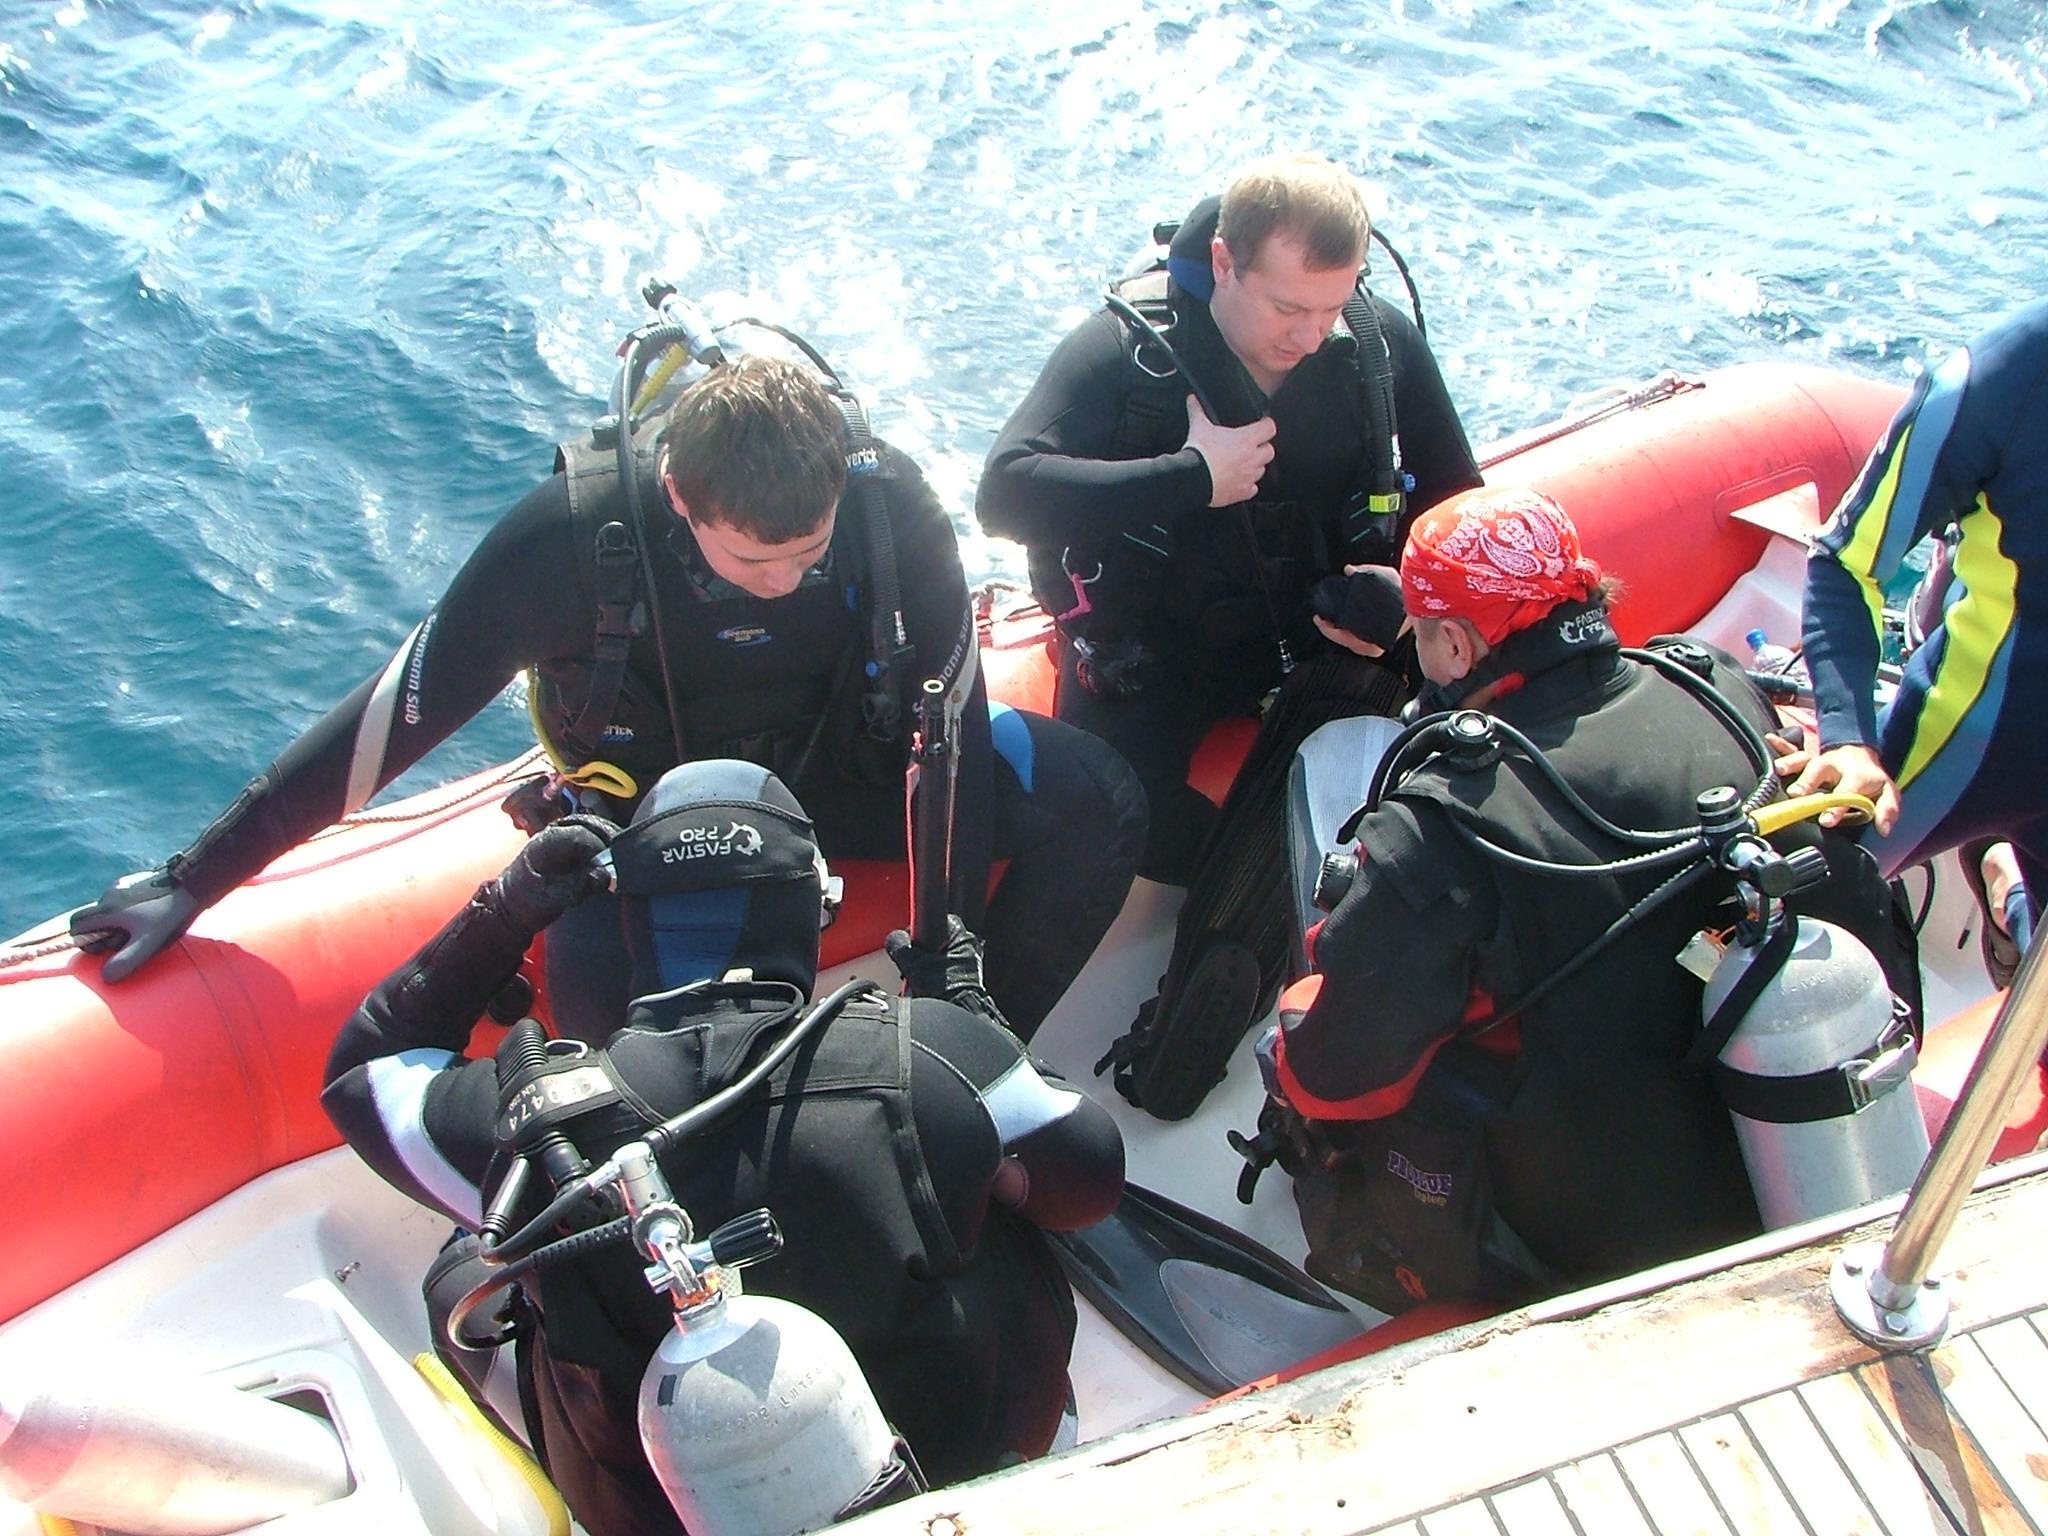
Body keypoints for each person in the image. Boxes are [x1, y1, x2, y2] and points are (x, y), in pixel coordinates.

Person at [72, 348, 1145, 1040]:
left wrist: (948, 985)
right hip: (649, 819)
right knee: (593, 991)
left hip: (840, 775)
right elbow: (392, 718)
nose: (784, 582)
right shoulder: (571, 541)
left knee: (1101, 800)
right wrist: (193, 877)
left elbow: (946, 725)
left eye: (804, 556)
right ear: (681, 497)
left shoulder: (881, 503)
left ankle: (959, 1080)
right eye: (750, 562)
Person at [321, 760, 1126, 1536]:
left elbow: (364, 1071)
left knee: (464, 1270)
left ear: (629, 920)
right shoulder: (935, 1054)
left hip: (654, 1513)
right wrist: (974, 1021)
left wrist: (503, 911)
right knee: (1004, 1174)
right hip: (955, 1487)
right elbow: (1089, 1185)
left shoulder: (539, 1117)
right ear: (815, 908)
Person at [1254, 488, 1919, 1314]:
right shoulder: (1715, 690)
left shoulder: (1442, 828)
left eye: (1423, 635)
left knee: (1305, 1047)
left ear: (1456, 646)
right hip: (1769, 1160)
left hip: (1601, 1241)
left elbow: (1335, 1078)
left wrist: (1299, 1028)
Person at [977, 153, 1482, 1118]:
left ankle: (1304, 951)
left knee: (1456, 753)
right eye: (1289, 308)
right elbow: (1004, 492)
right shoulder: (1124, 360)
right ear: (1225, 262)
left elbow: (1461, 503)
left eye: (1332, 307)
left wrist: (1405, 592)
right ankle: (1217, 922)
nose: (1311, 335)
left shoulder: (1376, 349)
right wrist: (1189, 476)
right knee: (1116, 820)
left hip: (1332, 638)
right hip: (1154, 659)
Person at [1788, 298, 2047, 968]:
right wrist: (1849, 741)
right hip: (1987, 725)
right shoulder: (1998, 378)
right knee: (1796, 893)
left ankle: (2007, 883)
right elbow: (1847, 558)